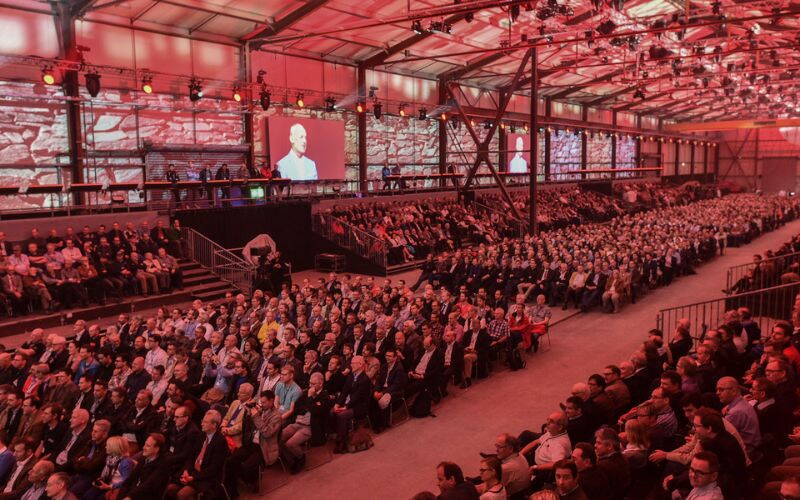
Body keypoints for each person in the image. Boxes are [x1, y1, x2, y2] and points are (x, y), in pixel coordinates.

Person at [165, 409, 228, 500]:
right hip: (193, 473)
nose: (202, 424)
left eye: (205, 422)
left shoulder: (220, 442)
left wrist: (193, 477)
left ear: (214, 425)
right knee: (169, 489)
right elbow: (191, 457)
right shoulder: (201, 436)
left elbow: (213, 469)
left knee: (182, 495)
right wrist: (186, 471)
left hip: (208, 478)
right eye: (202, 421)